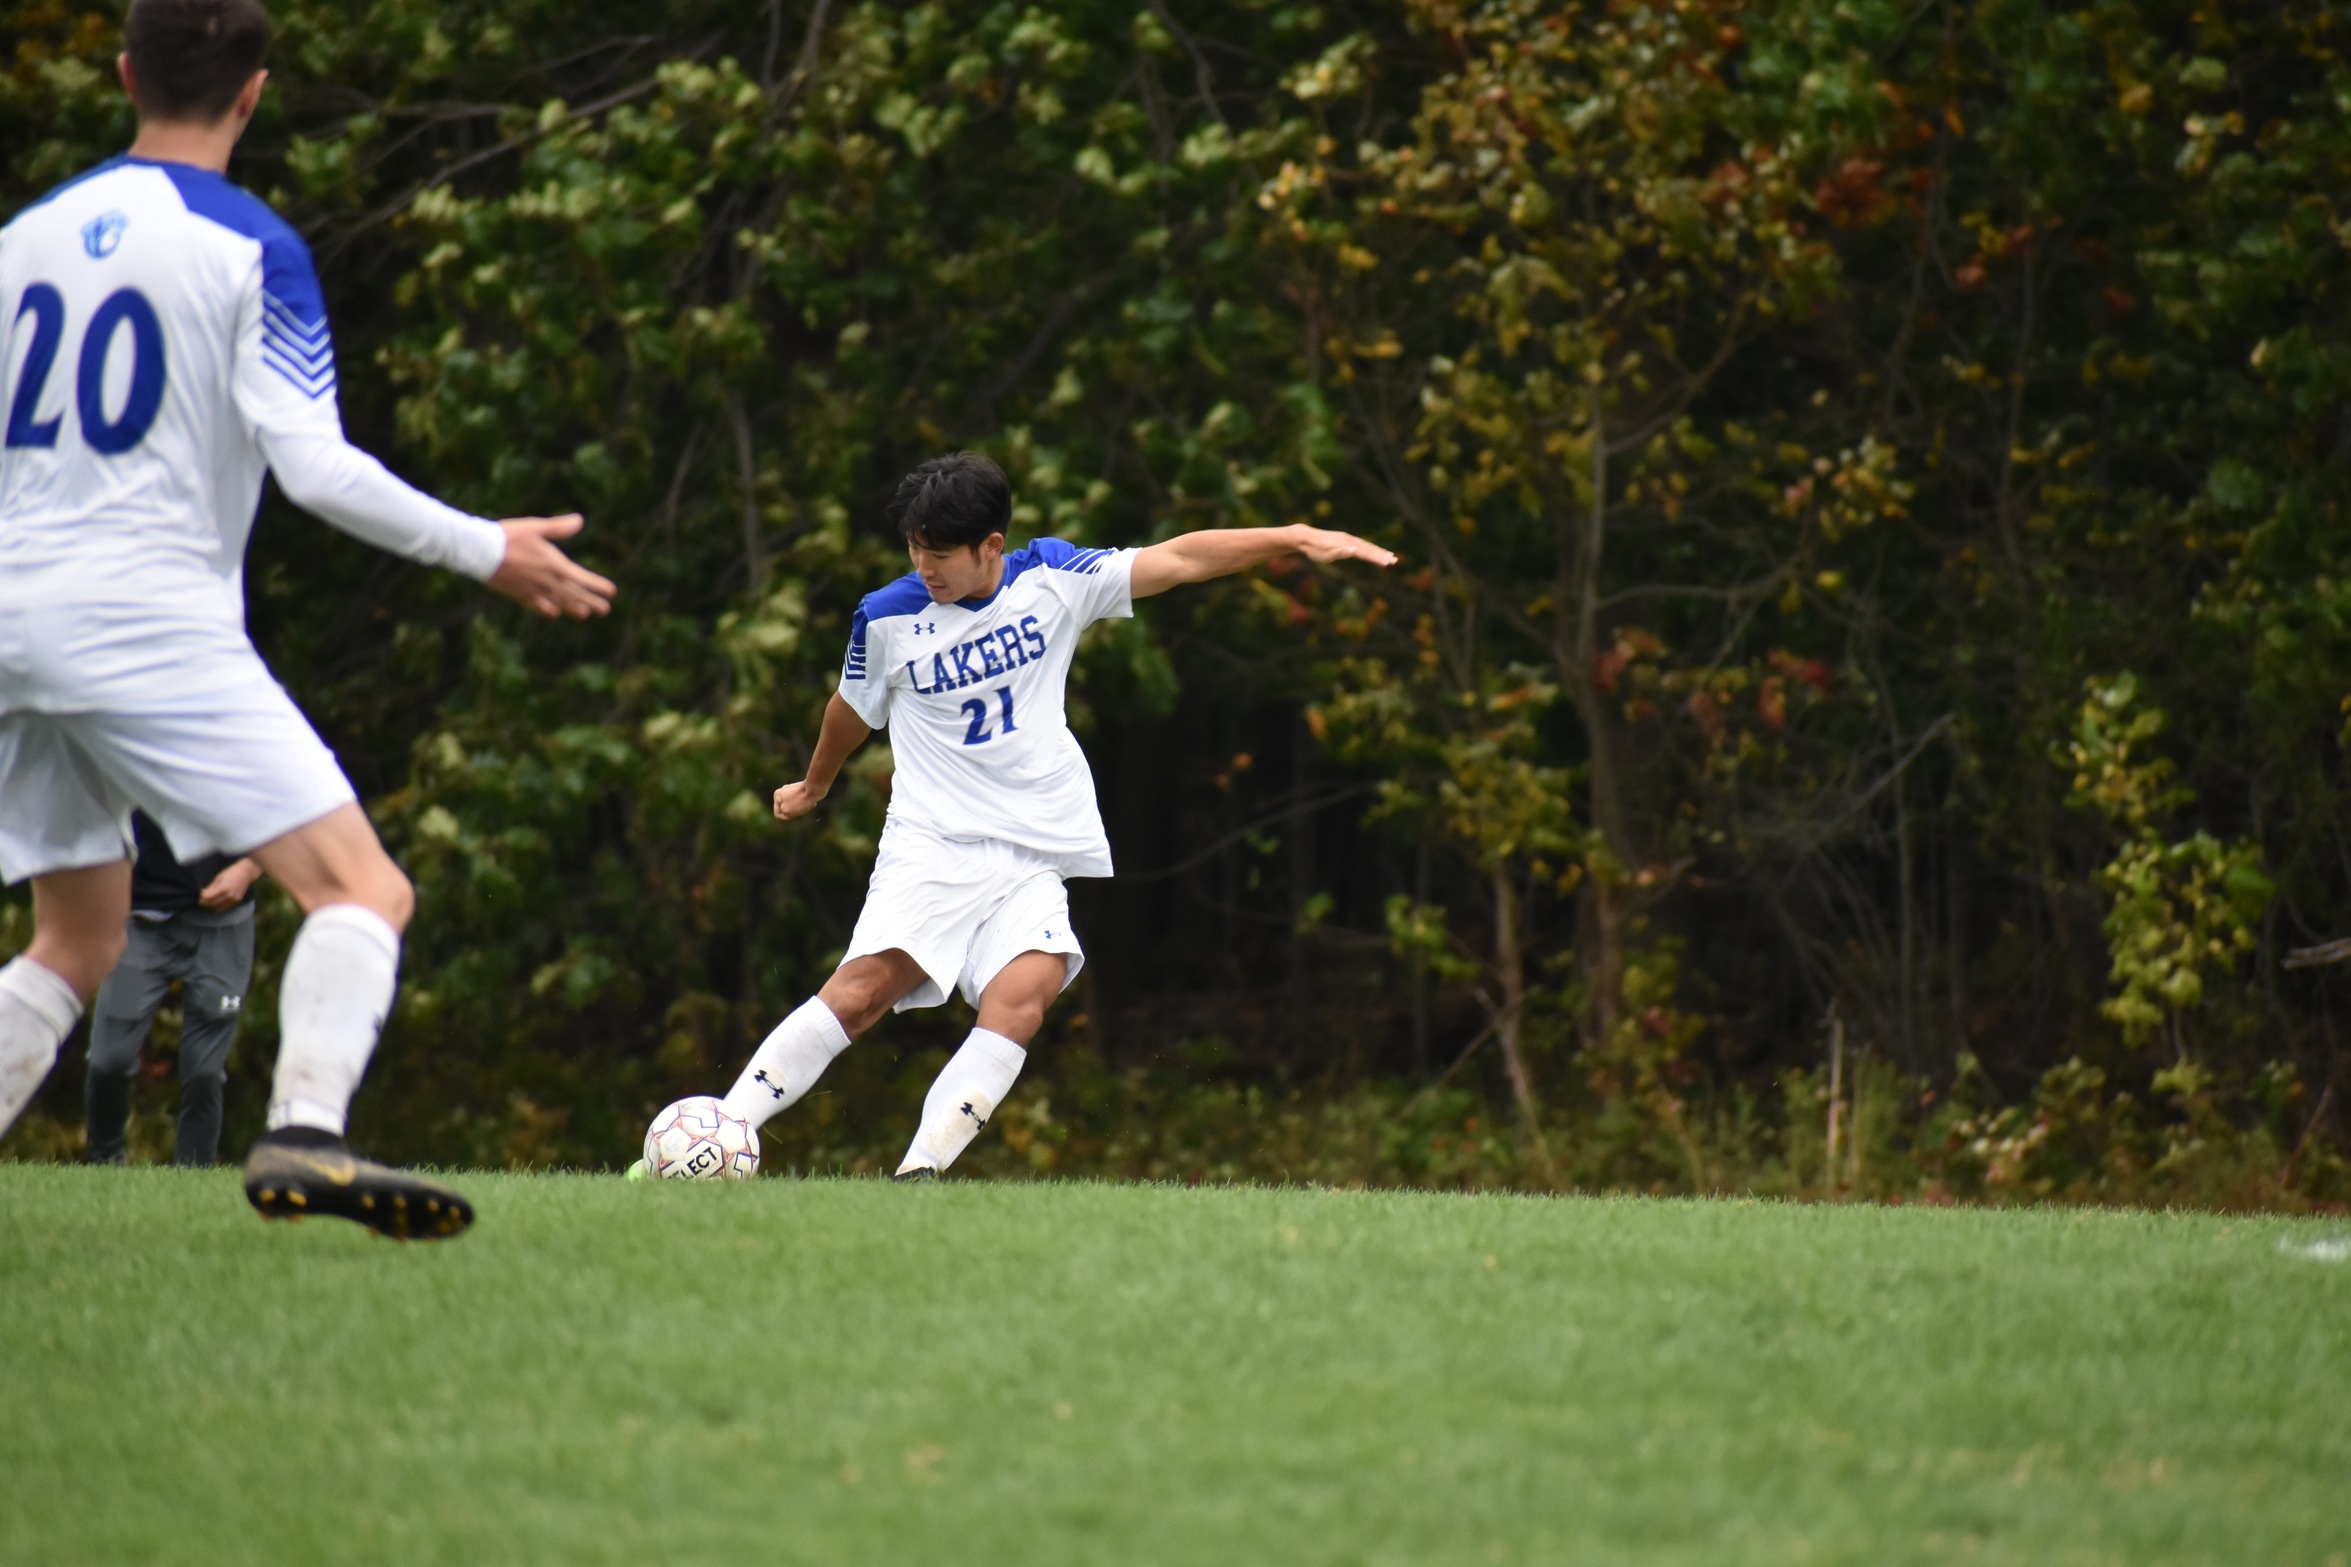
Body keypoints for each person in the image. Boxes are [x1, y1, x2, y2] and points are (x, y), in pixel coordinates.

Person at [0, 0, 613, 1236]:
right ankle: (309, 1137)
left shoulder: (22, 238)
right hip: (144, 618)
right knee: (361, 891)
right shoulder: (247, 244)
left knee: (77, 932)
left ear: (125, 75)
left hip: (13, 609)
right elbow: (316, 468)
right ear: (255, 93)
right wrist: (485, 546)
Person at [681, 451, 1393, 1179]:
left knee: (1026, 995)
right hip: (933, 843)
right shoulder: (889, 616)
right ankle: (717, 1134)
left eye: (940, 552)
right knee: (861, 994)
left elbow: (1178, 559)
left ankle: (916, 1177)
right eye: (914, 548)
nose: (924, 566)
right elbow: (850, 709)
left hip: (1031, 848)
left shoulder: (1053, 580)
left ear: (991, 545)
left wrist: (1293, 535)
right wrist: (813, 783)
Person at [84, 811, 264, 1166]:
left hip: (223, 925)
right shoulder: (128, 753)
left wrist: (247, 870)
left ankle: (193, 1175)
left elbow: (291, 815)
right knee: (108, 1061)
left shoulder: (240, 755)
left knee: (204, 1073)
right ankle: (104, 1165)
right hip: (140, 920)